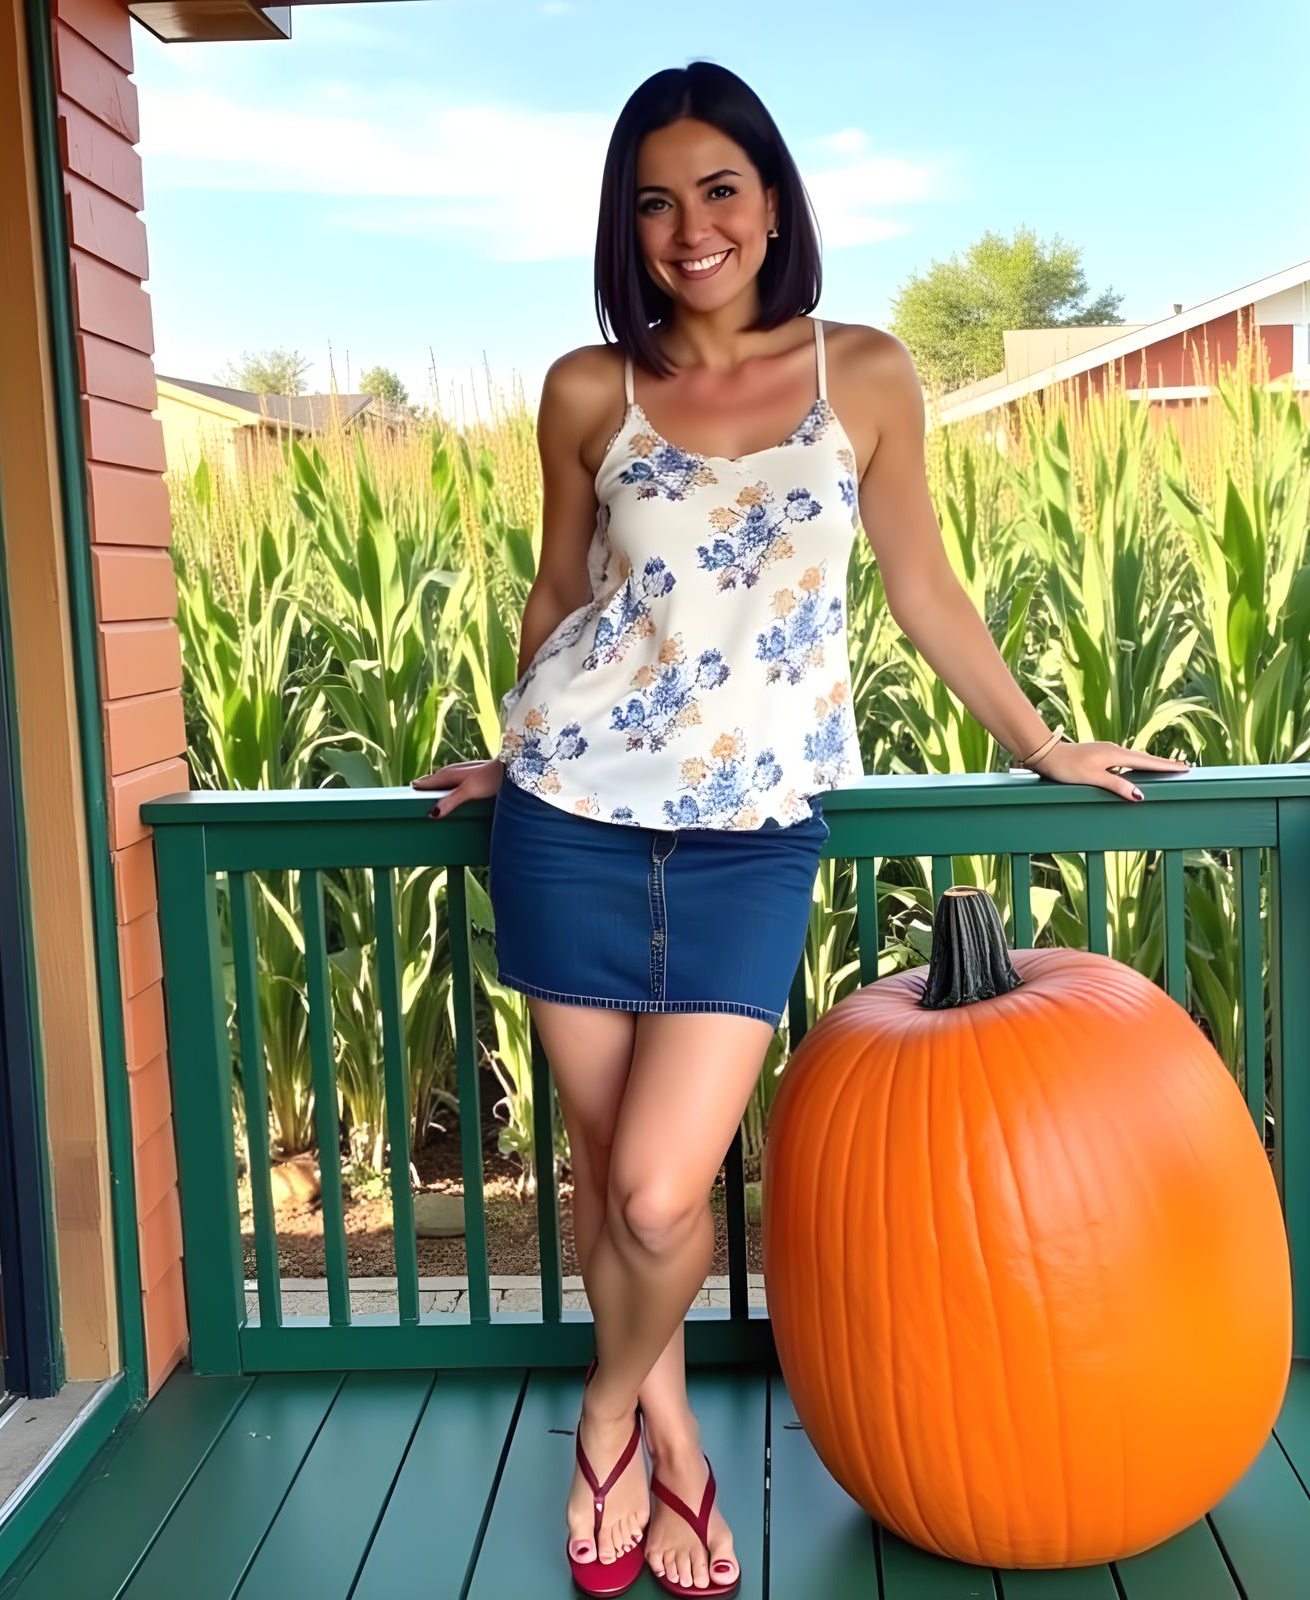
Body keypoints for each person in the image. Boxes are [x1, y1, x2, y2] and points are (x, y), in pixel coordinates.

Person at [413, 60, 1188, 1598]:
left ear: (771, 202)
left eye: (718, 189)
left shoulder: (867, 375)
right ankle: (677, 1448)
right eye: (655, 201)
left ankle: (601, 1412)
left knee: (658, 1193)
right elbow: (561, 595)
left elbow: (923, 588)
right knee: (604, 1171)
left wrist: (1037, 742)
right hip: (568, 816)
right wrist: (520, 744)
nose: (689, 227)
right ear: (625, 229)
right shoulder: (589, 391)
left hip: (752, 837)